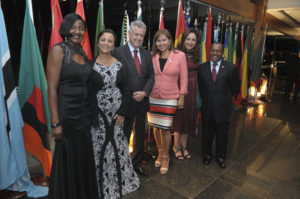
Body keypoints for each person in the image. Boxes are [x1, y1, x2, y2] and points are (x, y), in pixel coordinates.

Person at [46, 13, 98, 199]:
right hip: (66, 116)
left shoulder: (82, 52)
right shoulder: (58, 51)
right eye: (74, 27)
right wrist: (55, 123)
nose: (78, 31)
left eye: (81, 28)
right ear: (66, 29)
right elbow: (51, 89)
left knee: (82, 157)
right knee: (67, 157)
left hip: (83, 115)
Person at [89, 29, 140, 199]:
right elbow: (87, 92)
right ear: (98, 43)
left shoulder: (120, 65)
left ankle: (118, 182)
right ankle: (100, 183)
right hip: (98, 116)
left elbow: (127, 90)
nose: (106, 43)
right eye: (103, 40)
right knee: (99, 148)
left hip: (117, 116)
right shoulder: (90, 65)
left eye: (110, 41)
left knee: (117, 148)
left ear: (114, 45)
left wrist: (123, 112)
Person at [113, 20, 154, 177]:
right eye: (136, 34)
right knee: (123, 136)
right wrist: (122, 105)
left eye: (141, 36)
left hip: (142, 102)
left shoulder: (146, 54)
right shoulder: (118, 52)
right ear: (129, 34)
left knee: (139, 136)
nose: (138, 38)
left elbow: (151, 76)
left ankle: (136, 165)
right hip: (125, 103)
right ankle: (122, 167)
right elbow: (116, 80)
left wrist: (144, 92)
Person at [148, 29, 188, 174]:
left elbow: (183, 77)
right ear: (155, 43)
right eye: (158, 40)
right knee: (156, 127)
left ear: (170, 40)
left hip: (171, 96)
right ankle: (159, 152)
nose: (161, 43)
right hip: (153, 96)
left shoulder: (180, 56)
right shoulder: (152, 56)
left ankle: (166, 157)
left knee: (165, 128)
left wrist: (182, 95)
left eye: (164, 40)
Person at [197, 42, 240, 169]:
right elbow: (201, 86)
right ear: (209, 51)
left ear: (222, 53)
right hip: (207, 108)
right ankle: (207, 155)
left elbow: (235, 87)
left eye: (218, 51)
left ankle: (220, 157)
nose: (215, 53)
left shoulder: (231, 68)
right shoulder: (202, 68)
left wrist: (223, 98)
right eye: (213, 51)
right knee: (206, 135)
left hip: (223, 108)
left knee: (222, 136)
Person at [172, 28, 201, 160]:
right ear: (183, 40)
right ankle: (176, 147)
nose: (190, 42)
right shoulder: (176, 53)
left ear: (196, 42)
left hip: (193, 90)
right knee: (179, 119)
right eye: (188, 39)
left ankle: (184, 146)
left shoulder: (197, 55)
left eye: (193, 40)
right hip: (180, 89)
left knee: (189, 118)